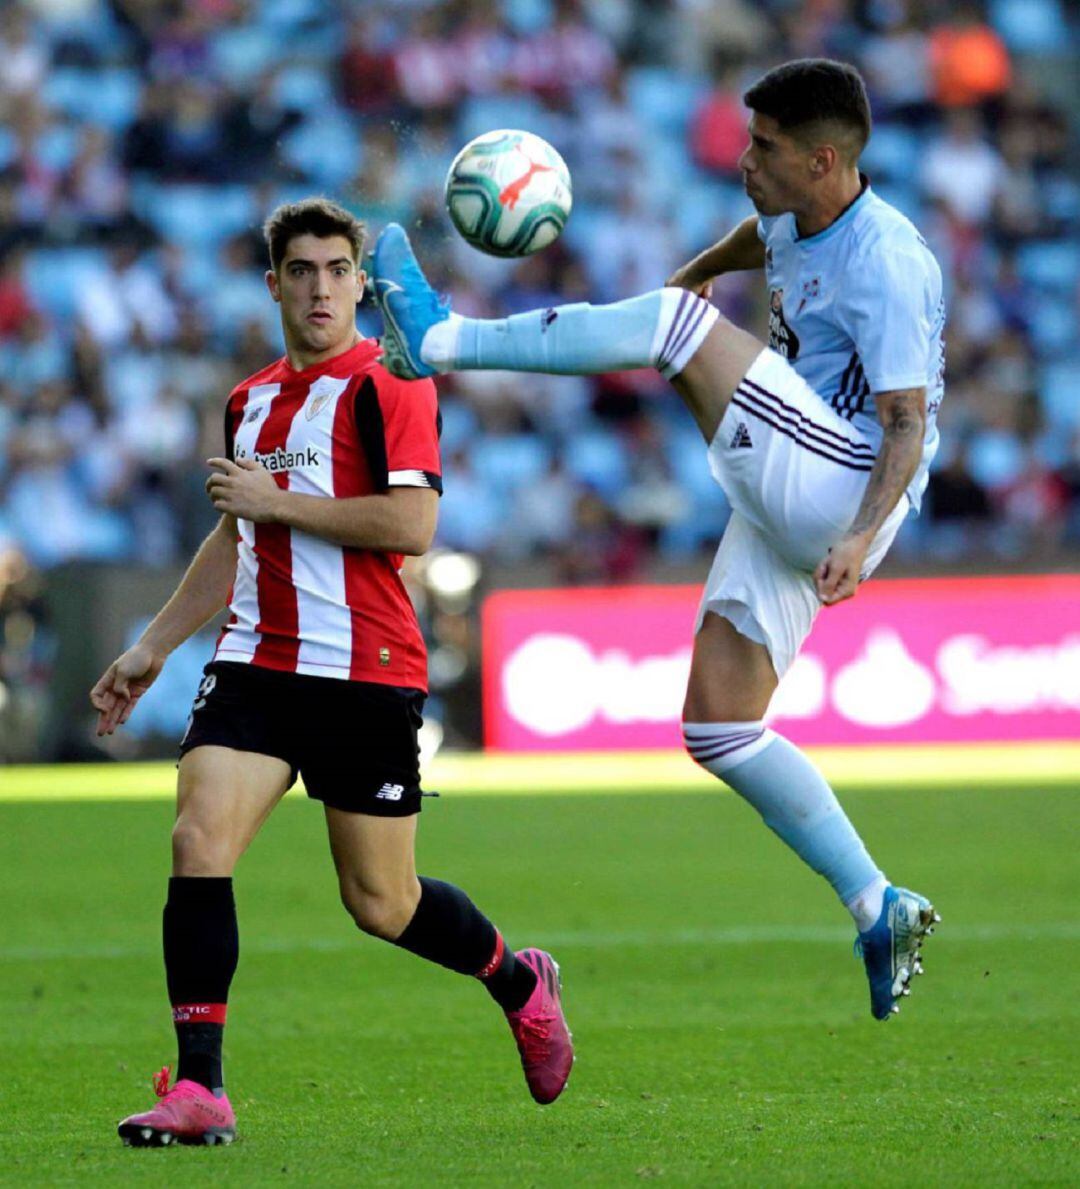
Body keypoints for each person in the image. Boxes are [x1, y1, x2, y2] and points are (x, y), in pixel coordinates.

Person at [373, 59, 942, 1024]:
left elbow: (905, 426)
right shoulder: (797, 211)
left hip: (844, 479)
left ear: (827, 158)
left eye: (763, 148)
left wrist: (856, 536)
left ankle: (437, 342)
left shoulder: (891, 259)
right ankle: (876, 901)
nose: (743, 160)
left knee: (678, 329)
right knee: (720, 726)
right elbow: (762, 241)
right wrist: (702, 271)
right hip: (793, 486)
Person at [90, 198, 572, 1148]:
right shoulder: (250, 399)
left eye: (337, 270)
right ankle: (201, 1088)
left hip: (366, 666)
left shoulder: (391, 381)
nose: (320, 288)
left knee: (381, 903)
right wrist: (152, 645)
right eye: (301, 271)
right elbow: (237, 535)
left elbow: (412, 529)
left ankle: (519, 982)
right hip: (255, 662)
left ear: (361, 280)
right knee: (197, 839)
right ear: (274, 283)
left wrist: (282, 500)